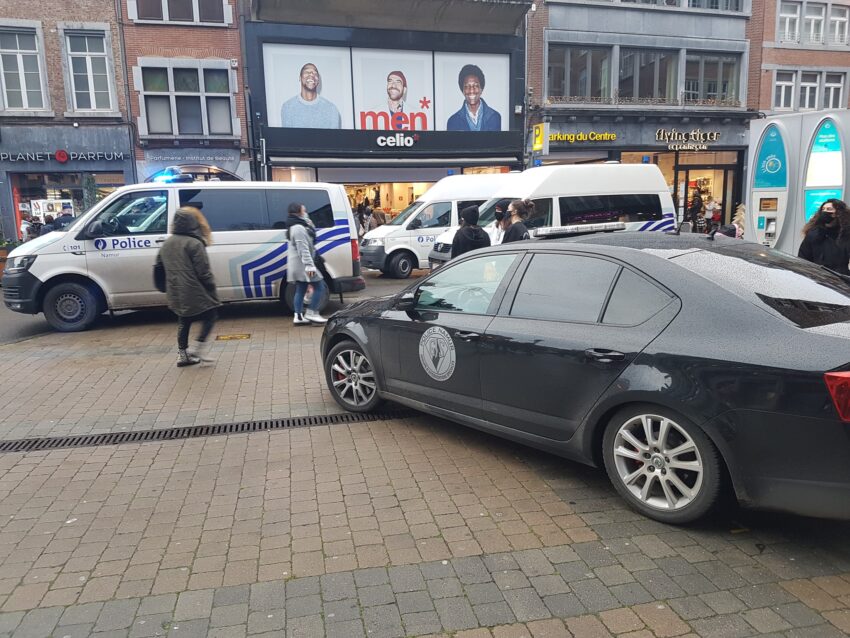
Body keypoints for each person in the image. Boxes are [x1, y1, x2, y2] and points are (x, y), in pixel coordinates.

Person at [156, 206, 220, 367]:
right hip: (194, 289)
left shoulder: (167, 243)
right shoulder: (194, 243)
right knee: (211, 316)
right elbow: (203, 271)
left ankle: (183, 355)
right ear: (192, 223)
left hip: (175, 290)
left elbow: (159, 267)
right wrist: (211, 288)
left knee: (184, 320)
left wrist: (164, 286)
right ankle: (199, 348)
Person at [286, 202, 329, 325]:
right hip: (303, 265)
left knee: (301, 289)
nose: (305, 212)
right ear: (298, 212)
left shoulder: (296, 225)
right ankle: (312, 312)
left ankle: (298, 316)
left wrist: (309, 224)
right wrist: (309, 265)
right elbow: (303, 248)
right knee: (319, 286)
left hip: (298, 265)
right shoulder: (298, 228)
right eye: (304, 210)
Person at [280, 63, 342, 129]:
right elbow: (287, 137)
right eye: (306, 72)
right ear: (300, 78)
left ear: (318, 80)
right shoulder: (288, 107)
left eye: (315, 73)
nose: (311, 74)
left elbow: (334, 138)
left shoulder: (331, 109)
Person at [798, 199, 850, 275]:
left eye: (829, 209)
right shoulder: (813, 233)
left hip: (840, 279)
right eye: (823, 209)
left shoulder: (846, 234)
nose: (825, 212)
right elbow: (803, 257)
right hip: (817, 277)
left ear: (838, 213)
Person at [446, 64, 502, 132]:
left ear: (481, 89)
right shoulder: (453, 122)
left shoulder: (495, 117)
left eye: (475, 86)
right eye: (467, 86)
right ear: (463, 91)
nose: (471, 90)